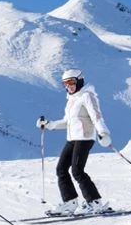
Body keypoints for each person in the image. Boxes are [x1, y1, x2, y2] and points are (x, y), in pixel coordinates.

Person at [38, 68, 114, 216]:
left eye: (71, 82)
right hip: (72, 138)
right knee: (61, 169)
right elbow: (67, 122)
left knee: (77, 171)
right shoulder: (72, 100)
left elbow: (96, 117)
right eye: (65, 84)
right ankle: (70, 202)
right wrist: (49, 124)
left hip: (84, 138)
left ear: (79, 81)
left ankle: (95, 202)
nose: (69, 86)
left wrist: (103, 133)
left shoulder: (87, 96)